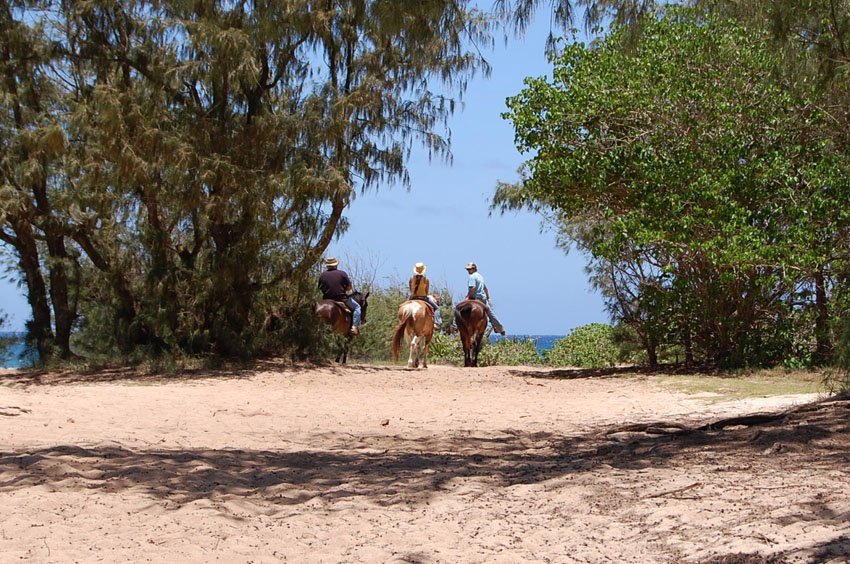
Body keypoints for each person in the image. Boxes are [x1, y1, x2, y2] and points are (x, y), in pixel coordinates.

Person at [318, 257, 361, 335]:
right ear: (336, 265)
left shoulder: (322, 275)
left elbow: (320, 288)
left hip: (326, 299)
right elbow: (349, 288)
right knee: (357, 307)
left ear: (327, 266)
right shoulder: (342, 273)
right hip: (342, 299)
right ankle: (354, 327)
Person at [464, 262, 505, 335]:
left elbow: (473, 288)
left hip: (475, 298)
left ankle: (458, 327)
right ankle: (500, 328)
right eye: (467, 269)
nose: (468, 271)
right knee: (490, 313)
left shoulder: (472, 277)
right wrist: (488, 298)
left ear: (474, 269)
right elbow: (485, 289)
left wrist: (467, 297)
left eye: (469, 269)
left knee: (460, 310)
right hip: (483, 299)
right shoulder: (480, 276)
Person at [409, 262, 442, 329]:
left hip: (413, 298)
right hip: (423, 298)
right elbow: (426, 292)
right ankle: (437, 323)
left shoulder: (411, 279)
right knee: (437, 308)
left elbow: (411, 289)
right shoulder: (426, 280)